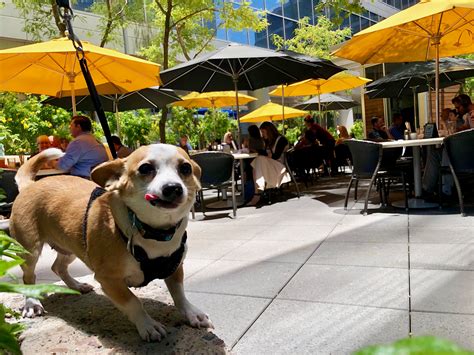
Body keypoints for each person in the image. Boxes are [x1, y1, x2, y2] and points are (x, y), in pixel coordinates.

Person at [247, 122, 291, 206]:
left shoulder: (281, 139)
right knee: (257, 161)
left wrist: (263, 153)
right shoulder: (268, 141)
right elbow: (268, 155)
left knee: (258, 161)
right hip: (269, 165)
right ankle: (258, 191)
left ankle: (257, 193)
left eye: (263, 132)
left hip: (279, 167)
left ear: (269, 131)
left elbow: (276, 156)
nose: (262, 134)